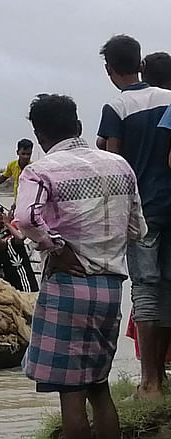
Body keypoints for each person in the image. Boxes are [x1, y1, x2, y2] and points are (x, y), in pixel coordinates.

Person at [16, 94, 146, 439]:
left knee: (71, 396)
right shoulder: (119, 165)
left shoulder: (40, 169)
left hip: (68, 287)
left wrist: (55, 245)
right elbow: (137, 230)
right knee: (99, 388)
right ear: (79, 126)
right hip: (110, 288)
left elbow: (26, 219)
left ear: (39, 135)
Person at [97, 35, 171, 400]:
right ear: (140, 63)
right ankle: (162, 376)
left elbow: (115, 168)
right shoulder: (170, 99)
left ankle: (149, 383)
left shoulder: (117, 106)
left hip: (142, 211)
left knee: (144, 288)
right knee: (168, 287)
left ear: (109, 69)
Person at [0, 223, 38, 292]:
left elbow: (21, 237)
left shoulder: (14, 244)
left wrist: (7, 223)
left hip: (30, 291)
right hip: (14, 295)